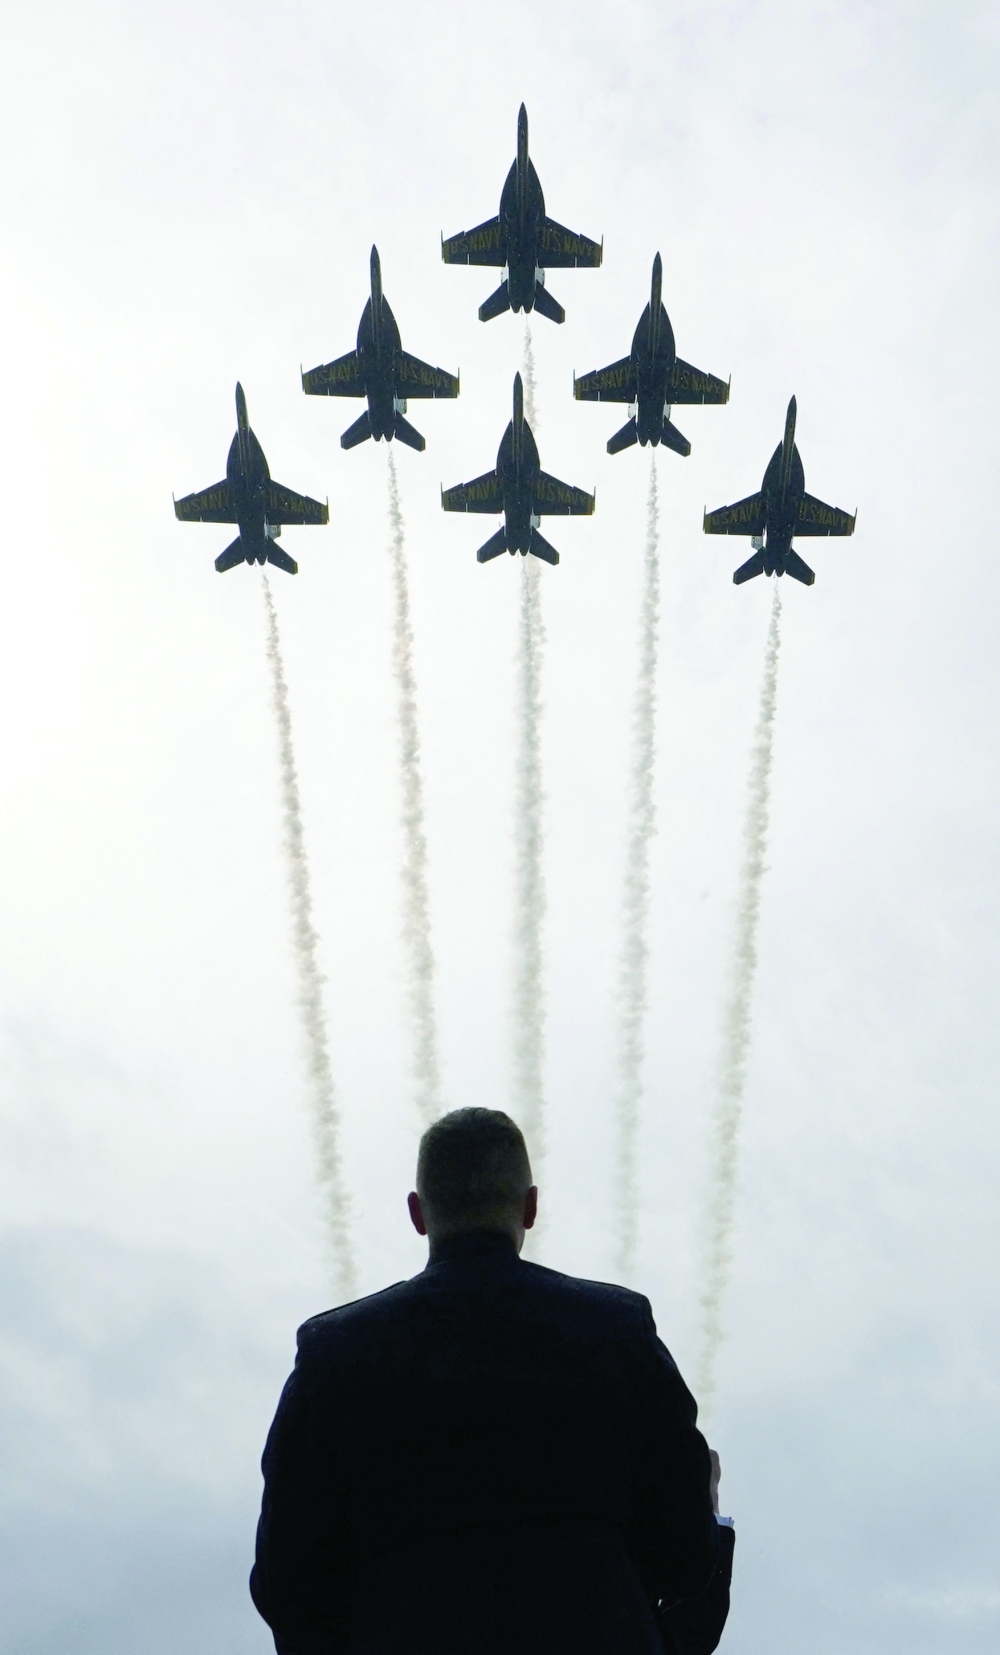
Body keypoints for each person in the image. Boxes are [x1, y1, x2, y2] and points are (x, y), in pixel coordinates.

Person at [251, 1107, 734, 1655]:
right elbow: (687, 1561)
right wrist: (707, 1511)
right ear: (531, 1206)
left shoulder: (334, 1354)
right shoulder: (618, 1330)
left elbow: (287, 1587)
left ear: (418, 1214)